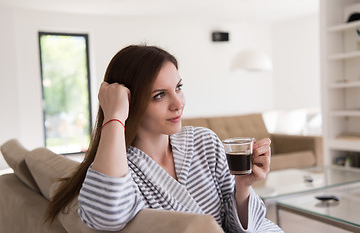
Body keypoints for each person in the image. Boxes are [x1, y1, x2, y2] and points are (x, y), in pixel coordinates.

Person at [46, 45, 283, 232]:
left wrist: (242, 185)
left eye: (178, 87)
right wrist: (114, 116)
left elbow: (233, 226)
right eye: (159, 95)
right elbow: (105, 216)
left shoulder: (205, 142)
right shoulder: (118, 169)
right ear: (128, 102)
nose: (178, 103)